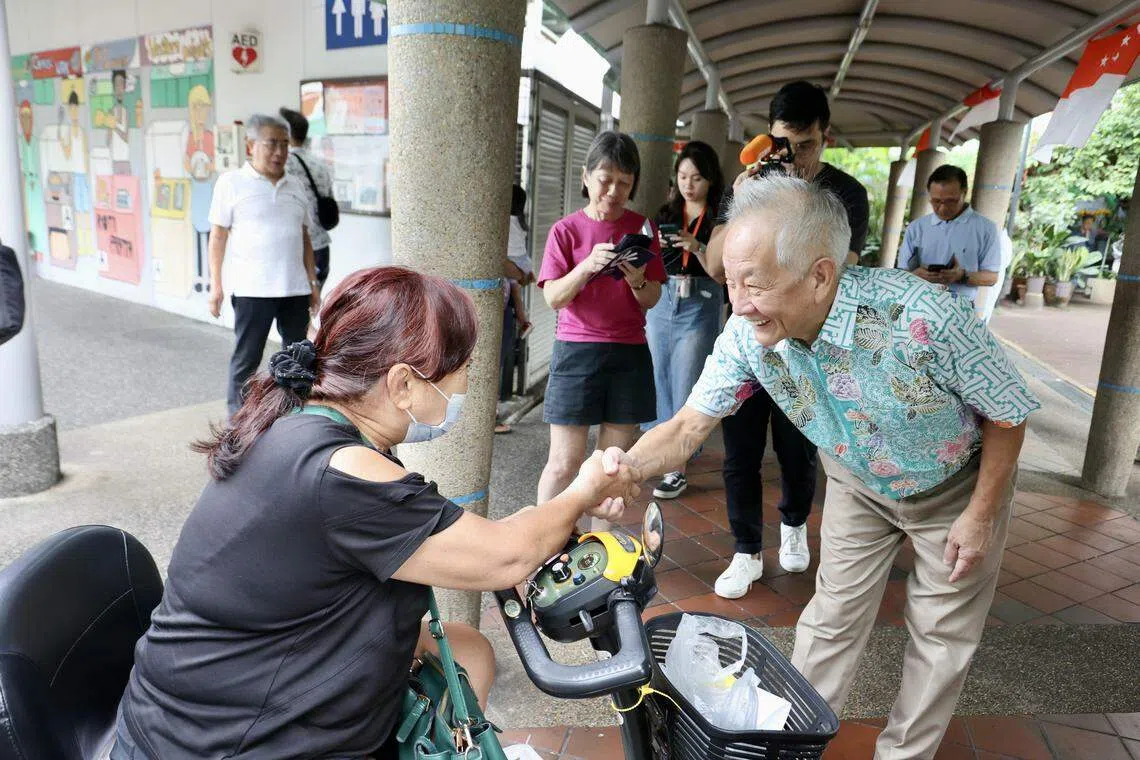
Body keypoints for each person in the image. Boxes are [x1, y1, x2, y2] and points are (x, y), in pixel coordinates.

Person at [109, 266, 636, 758]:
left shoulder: (302, 422)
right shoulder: (339, 473)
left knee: (470, 650)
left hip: (227, 684)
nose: (467, 388)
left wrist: (539, 526)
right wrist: (582, 491)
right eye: (464, 369)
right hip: (222, 738)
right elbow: (505, 557)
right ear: (404, 383)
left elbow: (445, 537)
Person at [605, 176, 1039, 760]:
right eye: (731, 282)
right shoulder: (747, 334)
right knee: (831, 618)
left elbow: (1007, 414)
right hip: (857, 481)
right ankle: (786, 746)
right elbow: (686, 429)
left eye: (754, 283)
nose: (738, 303)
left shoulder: (924, 317)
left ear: (820, 275)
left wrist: (983, 514)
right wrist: (617, 473)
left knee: (940, 637)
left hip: (954, 488)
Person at [707, 81, 870, 598]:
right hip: (750, 338)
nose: (795, 157)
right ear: (768, 138)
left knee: (799, 448)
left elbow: (840, 274)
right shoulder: (750, 189)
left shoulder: (845, 194)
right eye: (784, 143)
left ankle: (794, 526)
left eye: (806, 145)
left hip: (806, 346)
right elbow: (714, 265)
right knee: (740, 451)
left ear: (826, 137)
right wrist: (740, 198)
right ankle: (745, 549)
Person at [536, 130, 666, 514]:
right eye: (605, 180)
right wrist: (586, 267)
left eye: (624, 183)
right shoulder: (565, 230)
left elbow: (652, 298)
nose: (613, 190)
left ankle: (603, 558)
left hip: (629, 352)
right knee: (564, 464)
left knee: (612, 467)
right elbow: (553, 297)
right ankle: (541, 547)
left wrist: (636, 278)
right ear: (585, 176)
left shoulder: (642, 228)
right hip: (576, 351)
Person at [207, 113, 320, 418]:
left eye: (284, 144)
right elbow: (217, 236)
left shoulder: (295, 185)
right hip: (252, 289)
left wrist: (312, 283)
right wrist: (216, 286)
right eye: (271, 144)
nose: (279, 152)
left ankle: (293, 415)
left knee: (298, 357)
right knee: (247, 358)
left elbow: (305, 237)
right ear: (250, 146)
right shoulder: (231, 183)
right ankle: (239, 422)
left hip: (294, 287)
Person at [646, 140, 725, 499]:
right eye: (682, 176)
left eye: (696, 177)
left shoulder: (720, 220)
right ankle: (663, 451)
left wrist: (697, 245)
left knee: (685, 381)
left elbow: (721, 273)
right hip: (664, 299)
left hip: (701, 298)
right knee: (658, 377)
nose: (688, 184)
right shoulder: (665, 213)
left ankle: (676, 465)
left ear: (710, 179)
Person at [897, 164, 1001, 308]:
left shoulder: (986, 228)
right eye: (936, 201)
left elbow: (992, 278)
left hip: (960, 308)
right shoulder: (916, 227)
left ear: (964, 193)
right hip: (919, 305)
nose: (943, 208)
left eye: (951, 201)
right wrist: (915, 276)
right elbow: (900, 273)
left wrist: (962, 276)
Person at [280, 107, 335, 289]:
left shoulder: (283, 166)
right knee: (312, 308)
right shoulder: (320, 165)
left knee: (293, 312)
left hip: (295, 250)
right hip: (321, 247)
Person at [496, 184, 533, 434]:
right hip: (512, 286)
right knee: (496, 361)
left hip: (506, 293)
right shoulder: (518, 224)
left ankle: (492, 415)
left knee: (496, 360)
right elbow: (518, 274)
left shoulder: (504, 224)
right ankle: (491, 416)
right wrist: (522, 274)